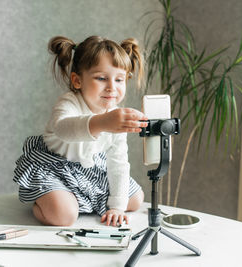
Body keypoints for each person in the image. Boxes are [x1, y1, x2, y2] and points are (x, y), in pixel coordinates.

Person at [13, 35, 147, 227]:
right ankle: (42, 199)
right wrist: (101, 122)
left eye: (119, 79)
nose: (111, 87)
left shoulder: (115, 116)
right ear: (77, 81)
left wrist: (117, 207)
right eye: (101, 78)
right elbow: (63, 129)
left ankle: (82, 199)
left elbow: (118, 162)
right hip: (55, 167)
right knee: (64, 216)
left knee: (134, 199)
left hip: (91, 169)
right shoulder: (69, 102)